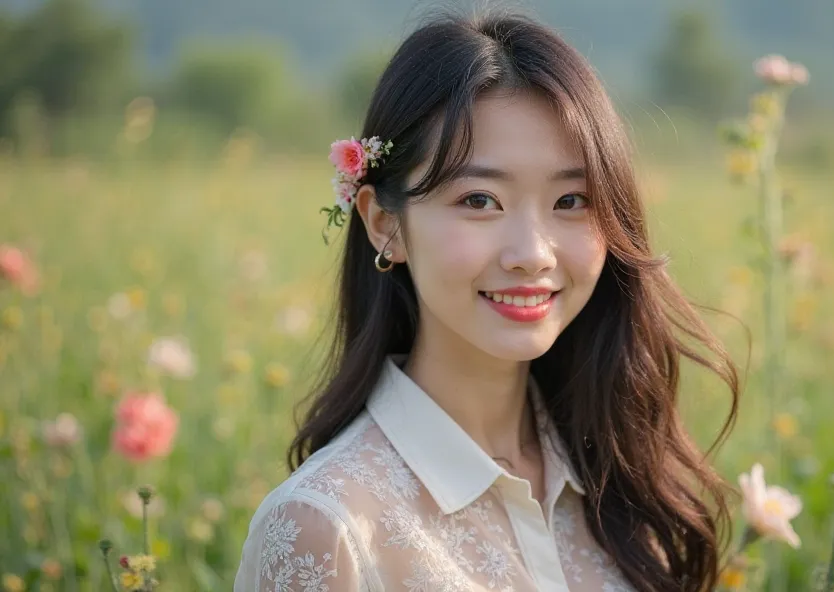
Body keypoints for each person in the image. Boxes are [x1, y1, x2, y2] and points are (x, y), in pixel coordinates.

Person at [234, 8, 740, 592]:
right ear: (384, 225)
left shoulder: (621, 485)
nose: (532, 253)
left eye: (571, 201)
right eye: (479, 200)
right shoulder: (327, 528)